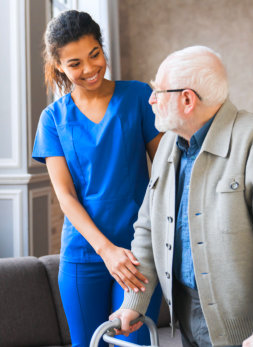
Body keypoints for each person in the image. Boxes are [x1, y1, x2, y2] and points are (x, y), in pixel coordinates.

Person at [109, 46, 253, 347]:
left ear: (187, 99)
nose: (151, 99)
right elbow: (148, 229)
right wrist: (133, 302)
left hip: (247, 331)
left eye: (158, 91)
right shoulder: (168, 144)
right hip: (185, 314)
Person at [32, 10, 162, 347]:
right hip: (83, 253)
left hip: (138, 253)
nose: (90, 69)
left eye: (95, 55)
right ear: (59, 66)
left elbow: (165, 174)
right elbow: (66, 197)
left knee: (135, 343)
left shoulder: (138, 98)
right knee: (87, 343)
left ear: (102, 48)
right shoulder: (53, 119)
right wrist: (106, 251)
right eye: (75, 64)